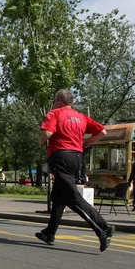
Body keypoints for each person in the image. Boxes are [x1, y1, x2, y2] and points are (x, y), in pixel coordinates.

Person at [37, 89, 115, 252]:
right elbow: (102, 132)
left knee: (73, 197)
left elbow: (47, 133)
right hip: (76, 158)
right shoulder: (81, 117)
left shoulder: (55, 113)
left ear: (59, 101)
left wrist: (41, 140)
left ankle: (103, 228)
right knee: (58, 197)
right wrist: (85, 144)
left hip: (61, 157)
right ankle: (49, 233)